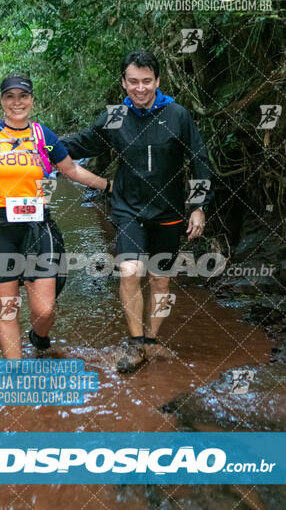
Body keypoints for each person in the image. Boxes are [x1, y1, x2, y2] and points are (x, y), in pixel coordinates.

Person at [0, 72, 111, 360]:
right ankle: (17, 379)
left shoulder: (44, 136)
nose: (17, 102)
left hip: (36, 225)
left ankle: (39, 337)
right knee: (7, 308)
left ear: (32, 100)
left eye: (23, 96)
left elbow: (71, 170)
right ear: (2, 101)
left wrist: (109, 185)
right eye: (10, 96)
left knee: (44, 310)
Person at [62, 50, 213, 372]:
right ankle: (135, 344)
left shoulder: (177, 115)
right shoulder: (116, 115)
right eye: (133, 82)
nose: (140, 88)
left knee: (160, 280)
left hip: (169, 209)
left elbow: (200, 159)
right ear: (123, 83)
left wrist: (199, 206)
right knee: (130, 270)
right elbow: (84, 143)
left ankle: (151, 341)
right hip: (128, 207)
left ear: (157, 81)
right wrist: (41, 142)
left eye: (146, 81)